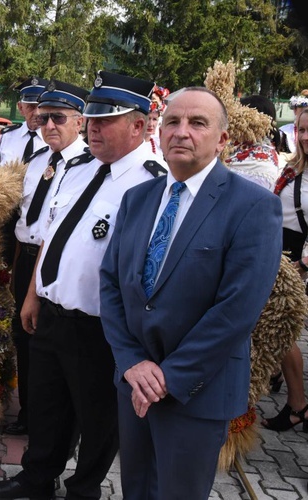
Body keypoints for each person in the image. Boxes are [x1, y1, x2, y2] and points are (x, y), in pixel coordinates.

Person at [0, 71, 167, 500]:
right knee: (46, 407)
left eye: (106, 120)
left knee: (97, 416)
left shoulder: (151, 183)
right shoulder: (79, 168)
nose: (94, 127)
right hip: (52, 313)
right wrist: (32, 296)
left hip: (99, 327)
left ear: (138, 125)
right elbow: (51, 234)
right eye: (92, 118)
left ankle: (84, 490)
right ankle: (36, 480)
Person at [100, 87, 282, 499]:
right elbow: (111, 283)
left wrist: (168, 376)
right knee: (137, 490)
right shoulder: (137, 199)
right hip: (135, 383)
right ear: (158, 132)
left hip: (196, 393)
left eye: (197, 123)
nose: (182, 132)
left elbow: (236, 311)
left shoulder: (252, 206)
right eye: (172, 122)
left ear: (222, 139)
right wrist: (132, 363)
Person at [0, 80, 89, 438]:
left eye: (58, 118)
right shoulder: (36, 160)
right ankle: (29, 413)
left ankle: (58, 421)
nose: (48, 124)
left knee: (54, 344)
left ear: (79, 121)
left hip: (58, 267)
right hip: (26, 259)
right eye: (43, 117)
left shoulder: (90, 166)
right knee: (23, 338)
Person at [263, 107, 308, 432]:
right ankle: (297, 403)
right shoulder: (296, 169)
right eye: (301, 130)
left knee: (284, 332)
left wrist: (303, 264)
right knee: (281, 332)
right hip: (284, 255)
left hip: (300, 263)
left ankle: (298, 404)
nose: (304, 137)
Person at [0, 77, 48, 173]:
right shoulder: (7, 136)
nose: (37, 113)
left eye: (41, 107)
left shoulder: (55, 139)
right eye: (31, 107)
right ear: (20, 108)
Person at [143, 85, 168, 159]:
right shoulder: (131, 145)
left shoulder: (158, 144)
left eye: (154, 119)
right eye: (148, 119)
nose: (151, 124)